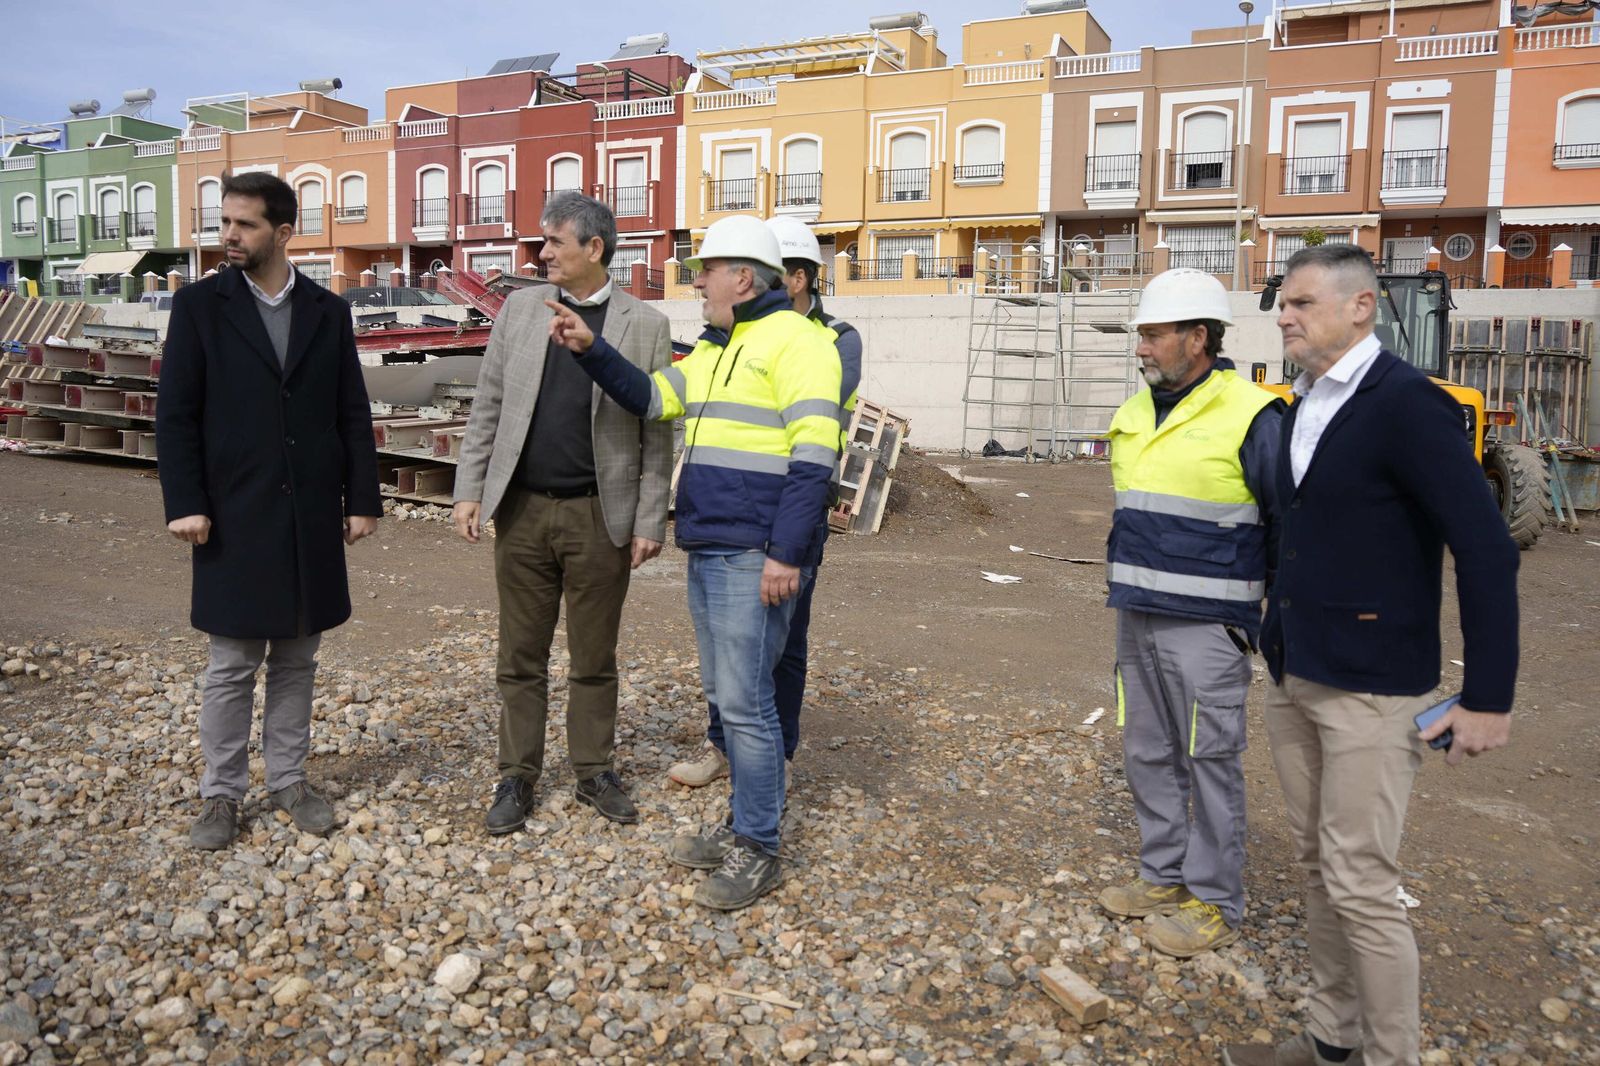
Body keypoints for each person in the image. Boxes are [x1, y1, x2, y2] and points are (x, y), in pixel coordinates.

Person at [1222, 245, 1519, 1066]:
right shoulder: (1301, 403)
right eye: (1282, 303)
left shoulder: (1408, 406)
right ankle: (1331, 1038)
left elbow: (1486, 549)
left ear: (1361, 308)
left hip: (1372, 690)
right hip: (1296, 674)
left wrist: (1488, 696)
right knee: (1319, 866)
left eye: (1302, 303)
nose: (1284, 316)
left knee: (1361, 881)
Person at [546, 214, 841, 910]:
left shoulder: (801, 343)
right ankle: (744, 826)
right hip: (711, 545)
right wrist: (592, 348)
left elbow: (814, 460)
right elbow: (654, 398)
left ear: (743, 278)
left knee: (747, 705)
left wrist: (785, 555)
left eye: (706, 272)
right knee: (728, 697)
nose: (698, 283)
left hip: (754, 552)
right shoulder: (717, 347)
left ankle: (759, 846)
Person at [155, 171, 380, 851]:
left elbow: (350, 410)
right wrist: (185, 502)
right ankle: (221, 795)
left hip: (309, 511)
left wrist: (361, 498)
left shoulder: (327, 311)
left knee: (297, 657)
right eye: (224, 221)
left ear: (283, 233)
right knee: (231, 663)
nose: (229, 235)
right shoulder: (199, 306)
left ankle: (288, 780)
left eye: (244, 224)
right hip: (233, 512)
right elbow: (176, 415)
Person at [451, 191, 674, 834]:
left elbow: (659, 432)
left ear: (594, 248)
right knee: (519, 655)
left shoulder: (645, 325)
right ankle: (516, 775)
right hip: (521, 512)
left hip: (600, 517)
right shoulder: (520, 311)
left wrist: (650, 519)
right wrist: (469, 488)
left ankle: (593, 771)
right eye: (542, 241)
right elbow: (489, 404)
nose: (542, 253)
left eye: (554, 241)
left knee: (594, 658)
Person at [1097, 268, 1285, 957]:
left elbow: (1288, 524)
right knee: (1147, 752)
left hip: (1210, 624)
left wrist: (1279, 616)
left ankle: (1214, 899)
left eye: (1153, 335)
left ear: (1198, 337)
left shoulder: (1253, 415)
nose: (1141, 348)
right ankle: (1164, 875)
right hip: (1138, 613)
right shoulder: (1135, 411)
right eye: (1142, 335)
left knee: (1211, 759)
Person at [667, 215, 862, 790]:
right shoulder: (730, 335)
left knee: (786, 640)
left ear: (795, 278)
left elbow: (813, 429)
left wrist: (787, 547)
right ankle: (725, 746)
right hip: (735, 516)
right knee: (733, 658)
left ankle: (777, 756)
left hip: (797, 506)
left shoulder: (831, 339)